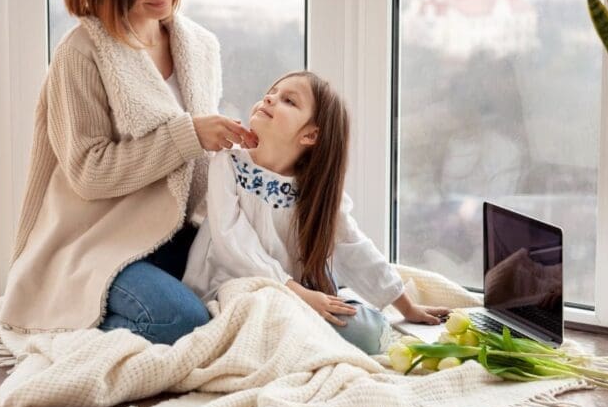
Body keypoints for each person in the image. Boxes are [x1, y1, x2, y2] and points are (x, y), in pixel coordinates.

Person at [0, 0, 257, 345]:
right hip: (98, 241)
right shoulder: (81, 53)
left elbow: (197, 165)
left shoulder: (198, 45)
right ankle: (65, 330)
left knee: (251, 301)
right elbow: (88, 173)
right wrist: (190, 135)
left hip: (178, 232)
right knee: (183, 322)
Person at [183, 71, 449, 354]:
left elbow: (354, 246)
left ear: (311, 135)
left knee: (367, 333)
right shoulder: (228, 164)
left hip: (293, 295)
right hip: (229, 290)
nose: (270, 98)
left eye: (288, 100)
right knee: (276, 322)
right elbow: (232, 243)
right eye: (271, 92)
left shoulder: (315, 189)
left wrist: (406, 307)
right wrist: (299, 294)